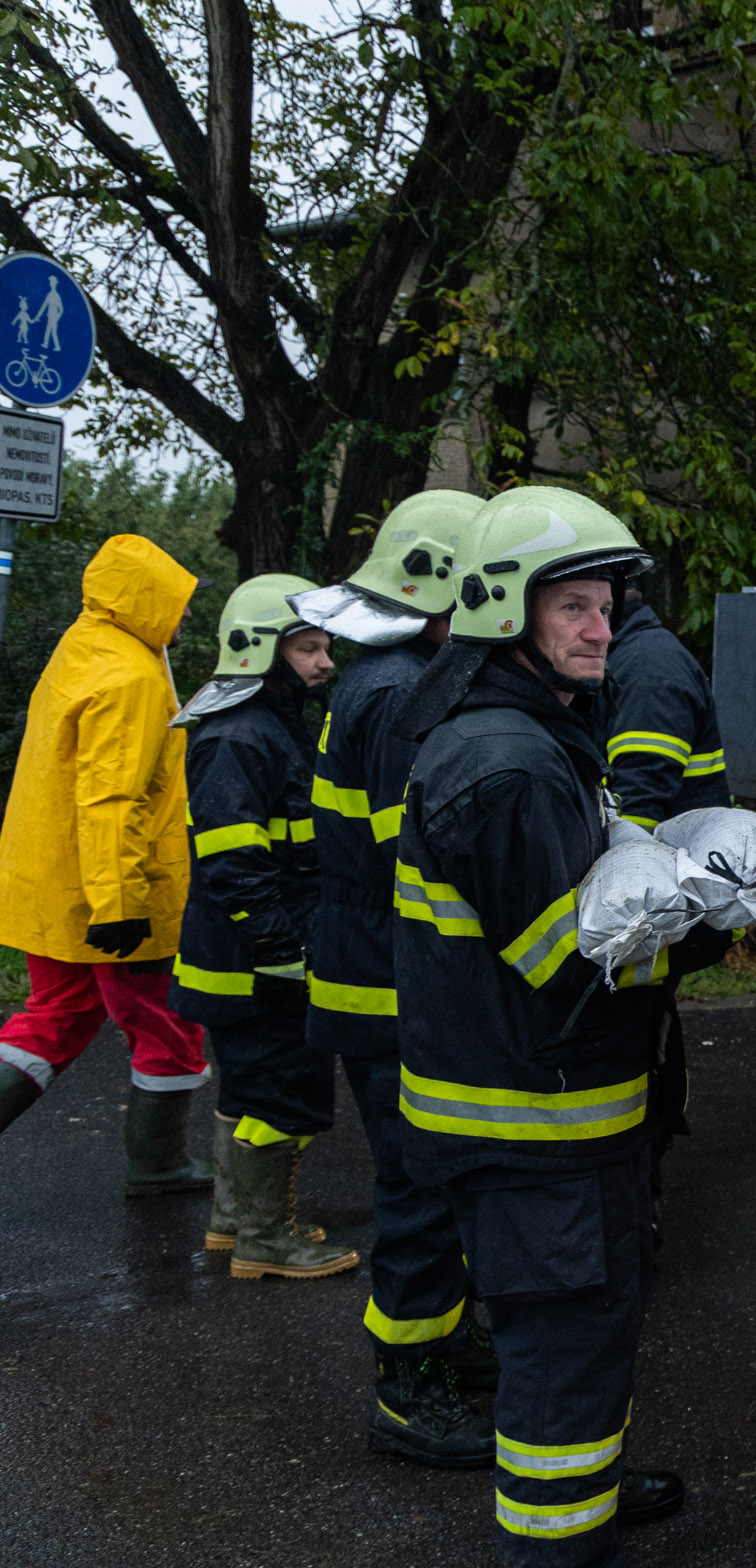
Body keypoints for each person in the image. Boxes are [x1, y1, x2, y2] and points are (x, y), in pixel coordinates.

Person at [392, 484, 728, 1568]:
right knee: (562, 1347)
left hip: (545, 1118)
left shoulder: (523, 726)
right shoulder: (511, 763)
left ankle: (580, 1499)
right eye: (572, 606)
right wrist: (700, 914)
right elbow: (570, 965)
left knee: (583, 1338)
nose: (600, 628)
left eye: (606, 604)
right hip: (537, 1127)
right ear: (501, 611)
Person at [298, 489, 499, 1462]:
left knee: (430, 1175)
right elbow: (409, 850)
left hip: (372, 968)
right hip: (385, 981)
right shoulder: (395, 691)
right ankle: (407, 1387)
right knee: (419, 1182)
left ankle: (440, 1336)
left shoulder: (391, 673)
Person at [0, 534, 212, 1191]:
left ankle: (160, 1162)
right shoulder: (132, 678)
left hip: (54, 888)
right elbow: (112, 800)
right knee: (166, 1024)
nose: (183, 617)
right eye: (175, 603)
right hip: (115, 895)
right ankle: (160, 1162)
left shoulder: (80, 652)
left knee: (55, 1015)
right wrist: (120, 904)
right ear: (143, 601)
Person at [168, 575, 359, 1281]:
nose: (325, 661)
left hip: (243, 956)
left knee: (250, 1088)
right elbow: (235, 859)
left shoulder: (264, 723)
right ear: (256, 650)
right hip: (255, 960)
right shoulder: (241, 734)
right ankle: (264, 1239)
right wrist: (284, 944)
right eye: (308, 647)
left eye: (325, 645)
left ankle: (233, 1221)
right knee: (281, 1090)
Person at [599, 577, 730, 1231]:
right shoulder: (629, 654)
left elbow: (635, 815)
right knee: (645, 1030)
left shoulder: (645, 667)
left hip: (664, 906)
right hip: (666, 901)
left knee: (637, 1042)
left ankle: (638, 1199)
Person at [602, 578, 728, 830]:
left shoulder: (646, 669)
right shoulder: (630, 654)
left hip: (669, 858)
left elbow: (640, 804)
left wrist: (625, 859)